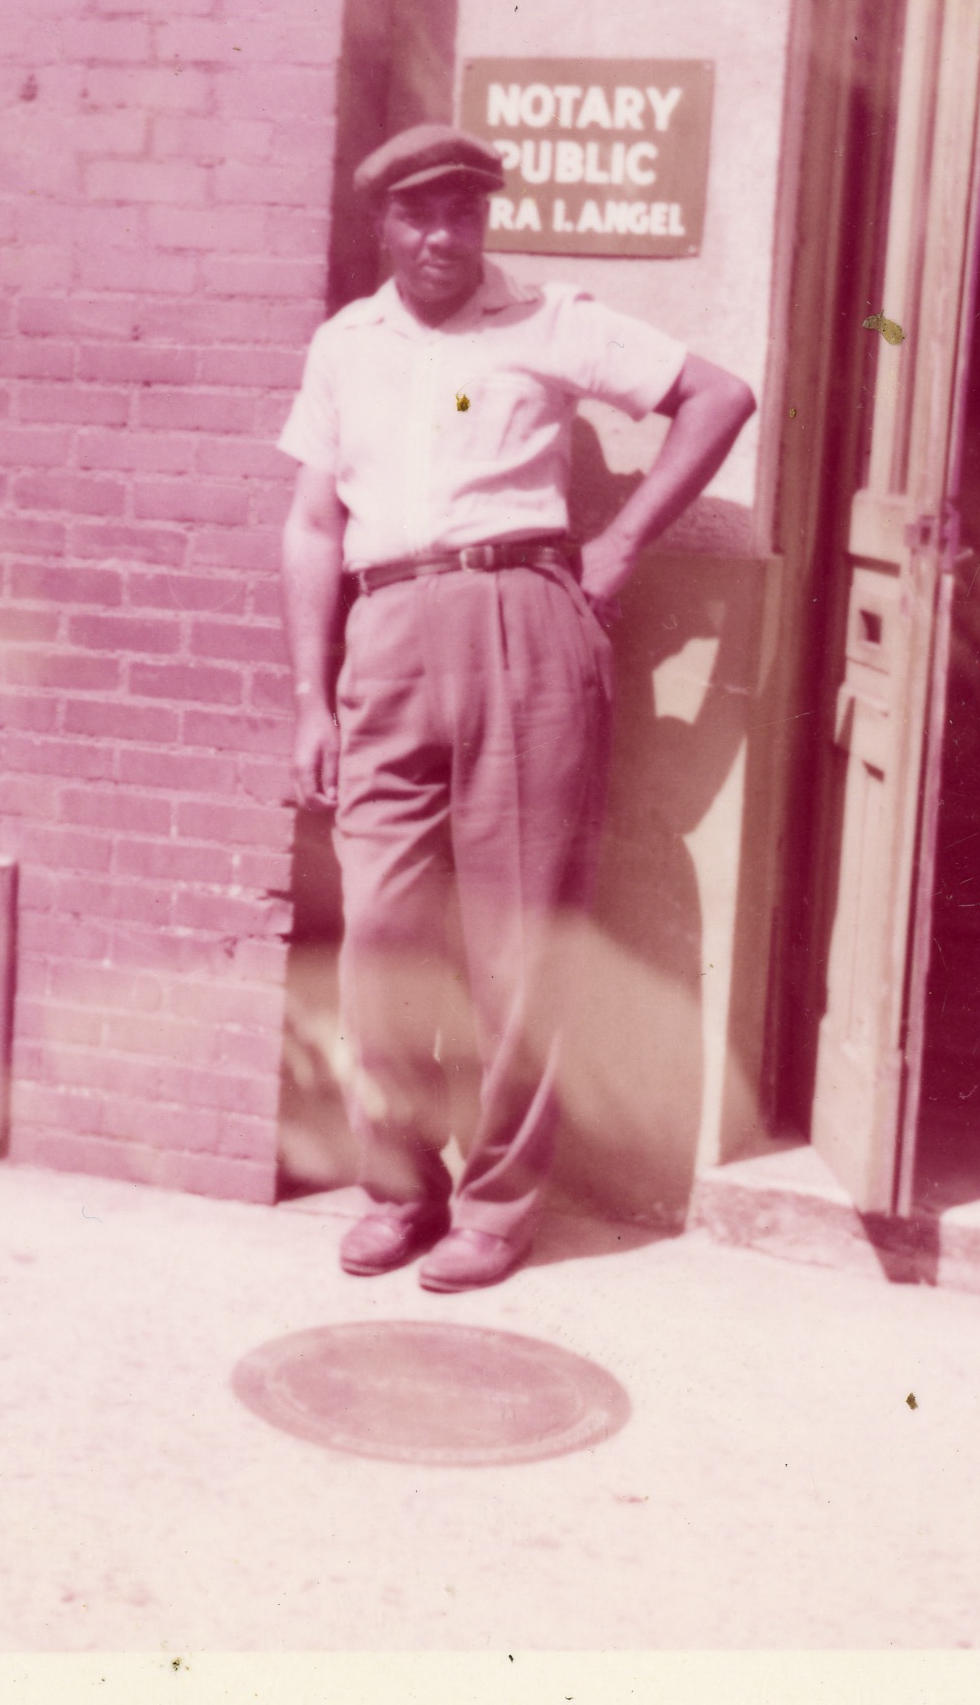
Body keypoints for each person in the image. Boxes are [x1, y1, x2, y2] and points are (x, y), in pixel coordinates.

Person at [279, 123, 756, 1292]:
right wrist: (310, 695)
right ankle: (399, 1187)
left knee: (517, 942)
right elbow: (312, 523)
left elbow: (719, 395)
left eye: (465, 212)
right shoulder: (346, 342)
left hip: (524, 626)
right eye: (418, 214)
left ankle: (497, 1205)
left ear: (486, 219)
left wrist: (621, 545)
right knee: (381, 939)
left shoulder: (550, 321)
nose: (444, 235)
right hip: (383, 636)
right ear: (382, 224)